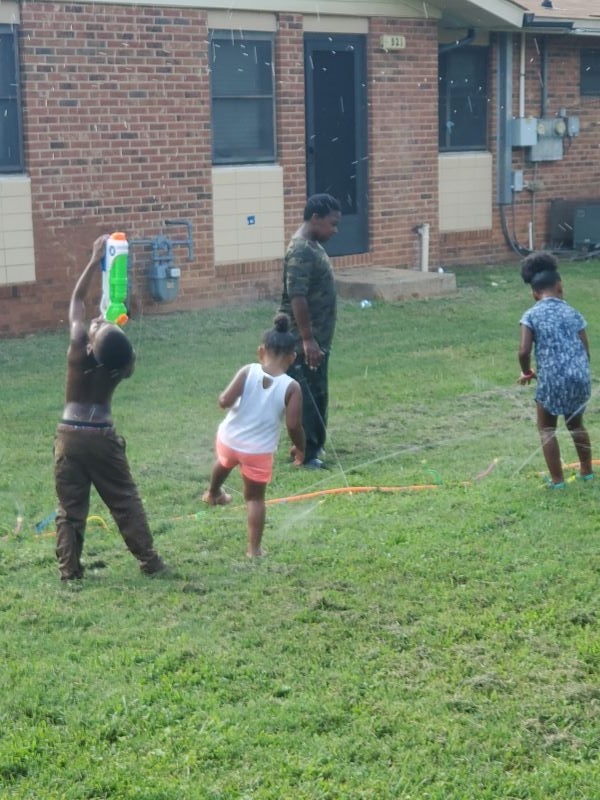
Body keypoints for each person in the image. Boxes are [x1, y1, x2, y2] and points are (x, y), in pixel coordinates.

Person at [54, 234, 167, 581]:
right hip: (102, 436)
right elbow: (124, 354)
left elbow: (76, 301)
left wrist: (93, 259)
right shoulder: (120, 366)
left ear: (90, 348)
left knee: (70, 509)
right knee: (124, 500)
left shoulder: (77, 348)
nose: (97, 322)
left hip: (70, 435)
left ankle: (69, 571)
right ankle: (150, 561)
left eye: (98, 328)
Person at [203, 313, 305, 557]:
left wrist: (231, 400)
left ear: (261, 352)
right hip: (257, 452)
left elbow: (224, 400)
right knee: (254, 500)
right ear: (292, 358)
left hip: (229, 440)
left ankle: (213, 493)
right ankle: (254, 550)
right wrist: (300, 448)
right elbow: (293, 426)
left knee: (225, 461)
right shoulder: (292, 387)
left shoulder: (248, 371)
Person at [518, 251, 593, 488]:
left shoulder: (531, 315)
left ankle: (558, 481)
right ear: (560, 287)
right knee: (576, 424)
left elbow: (523, 351)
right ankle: (587, 471)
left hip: (552, 381)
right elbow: (585, 349)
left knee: (547, 428)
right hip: (580, 378)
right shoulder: (573, 312)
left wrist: (527, 371)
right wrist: (578, 371)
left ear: (534, 293)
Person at [279, 193, 342, 469]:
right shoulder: (301, 250)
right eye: (331, 224)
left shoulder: (313, 245)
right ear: (314, 218)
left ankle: (310, 447)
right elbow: (297, 296)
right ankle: (306, 454)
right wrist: (307, 339)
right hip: (304, 340)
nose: (335, 230)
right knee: (307, 398)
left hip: (317, 338)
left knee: (317, 393)